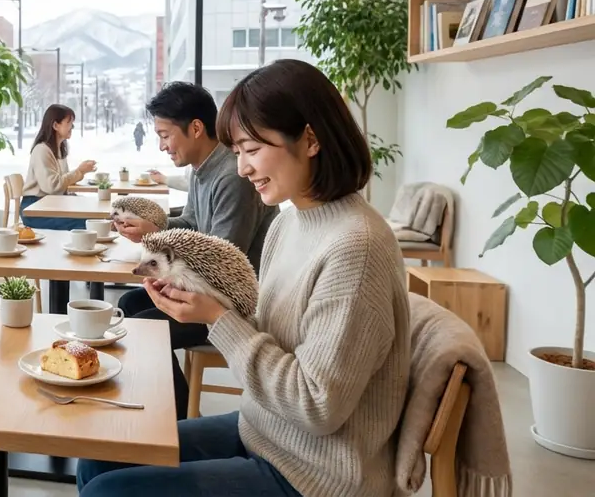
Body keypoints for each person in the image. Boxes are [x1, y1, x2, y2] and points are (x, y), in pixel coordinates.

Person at [78, 59, 411, 497]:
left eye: (252, 150)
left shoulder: (356, 247)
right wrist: (204, 306)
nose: (242, 169)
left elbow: (317, 407)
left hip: (314, 474)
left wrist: (217, 318)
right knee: (96, 458)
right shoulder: (290, 224)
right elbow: (265, 326)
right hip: (265, 432)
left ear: (310, 139)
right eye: (237, 153)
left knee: (109, 492)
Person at [114, 82, 277, 419]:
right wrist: (154, 230)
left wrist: (161, 249)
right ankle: (172, 409)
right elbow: (191, 223)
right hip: (205, 286)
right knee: (130, 304)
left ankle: (173, 422)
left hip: (232, 303)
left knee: (144, 331)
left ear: (196, 128)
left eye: (164, 135)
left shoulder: (231, 177)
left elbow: (221, 259)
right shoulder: (203, 169)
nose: (161, 146)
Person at [19, 103, 97, 231]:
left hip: (50, 204)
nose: (72, 126)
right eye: (69, 122)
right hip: (35, 208)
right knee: (90, 223)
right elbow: (52, 187)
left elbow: (61, 182)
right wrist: (79, 171)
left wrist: (79, 174)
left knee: (93, 217)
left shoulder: (58, 149)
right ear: (55, 125)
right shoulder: (42, 150)